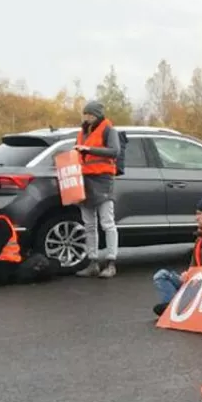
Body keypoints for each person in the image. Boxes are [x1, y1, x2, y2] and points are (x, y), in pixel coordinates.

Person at [74, 100, 121, 279]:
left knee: (107, 222)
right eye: (85, 114)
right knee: (89, 224)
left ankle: (111, 262)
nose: (87, 117)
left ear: (97, 115)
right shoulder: (82, 132)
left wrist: (89, 149)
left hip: (102, 180)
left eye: (90, 114)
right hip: (84, 180)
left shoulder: (108, 130)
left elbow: (114, 151)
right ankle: (92, 261)